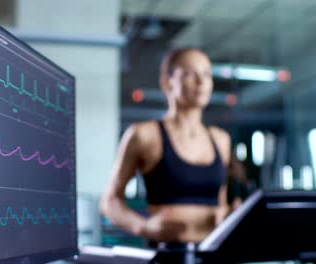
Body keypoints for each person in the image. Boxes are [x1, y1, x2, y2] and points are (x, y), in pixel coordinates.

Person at [99, 48, 231, 245]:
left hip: (213, 253)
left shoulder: (221, 139)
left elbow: (220, 203)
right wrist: (143, 227)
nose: (201, 82)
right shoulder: (144, 134)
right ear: (167, 82)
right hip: (166, 255)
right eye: (189, 74)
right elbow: (109, 202)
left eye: (207, 74)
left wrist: (230, 214)